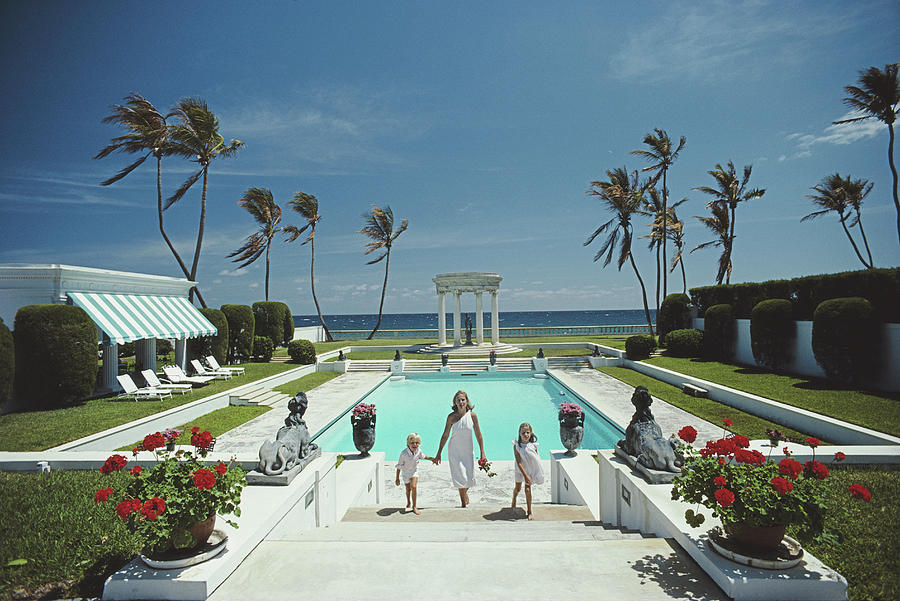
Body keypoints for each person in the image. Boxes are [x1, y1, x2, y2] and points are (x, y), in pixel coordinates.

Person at [434, 390, 486, 508]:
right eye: (459, 400)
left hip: (468, 451)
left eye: (463, 399)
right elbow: (445, 435)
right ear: (455, 403)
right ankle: (463, 504)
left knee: (469, 478)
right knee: (459, 477)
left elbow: (478, 435)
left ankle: (465, 493)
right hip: (455, 451)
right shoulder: (451, 417)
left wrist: (482, 452)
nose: (461, 402)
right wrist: (439, 453)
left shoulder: (472, 416)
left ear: (467, 401)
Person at [395, 432, 435, 515]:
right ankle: (408, 502)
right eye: (412, 443)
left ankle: (414, 506)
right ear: (408, 443)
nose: (414, 445)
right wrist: (397, 478)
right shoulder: (403, 453)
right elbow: (399, 466)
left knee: (413, 487)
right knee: (408, 489)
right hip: (405, 473)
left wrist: (432, 459)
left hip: (414, 471)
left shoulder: (418, 451)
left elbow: (424, 457)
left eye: (417, 443)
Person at [512, 422, 544, 520]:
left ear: (530, 434)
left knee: (527, 490)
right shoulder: (517, 446)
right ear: (519, 434)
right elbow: (518, 462)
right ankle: (514, 499)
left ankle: (529, 511)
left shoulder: (533, 446)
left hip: (529, 470)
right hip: (520, 470)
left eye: (527, 432)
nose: (526, 435)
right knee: (517, 489)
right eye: (523, 433)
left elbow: (537, 459)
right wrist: (525, 475)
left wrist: (537, 472)